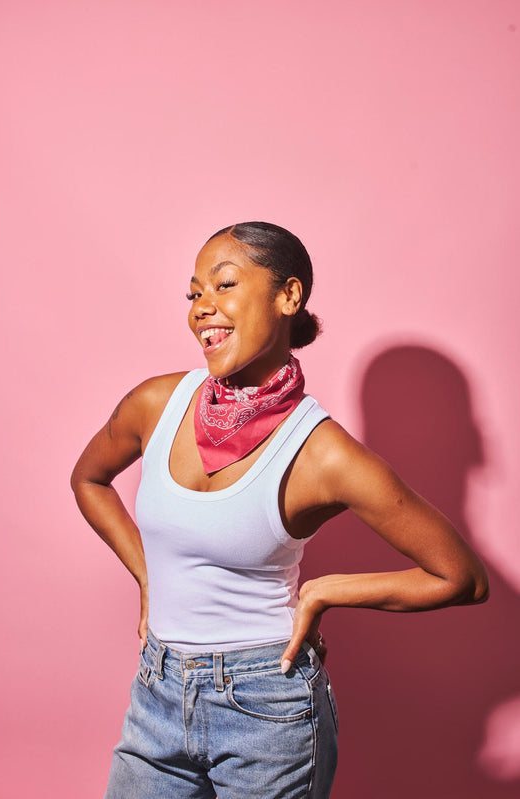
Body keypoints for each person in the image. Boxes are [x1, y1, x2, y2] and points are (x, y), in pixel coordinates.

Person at [71, 221, 489, 798]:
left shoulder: (324, 454)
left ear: (288, 296)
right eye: (194, 293)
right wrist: (149, 577)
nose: (201, 308)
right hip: (157, 692)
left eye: (223, 285)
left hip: (269, 706)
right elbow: (89, 480)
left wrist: (325, 591)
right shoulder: (156, 403)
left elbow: (462, 578)